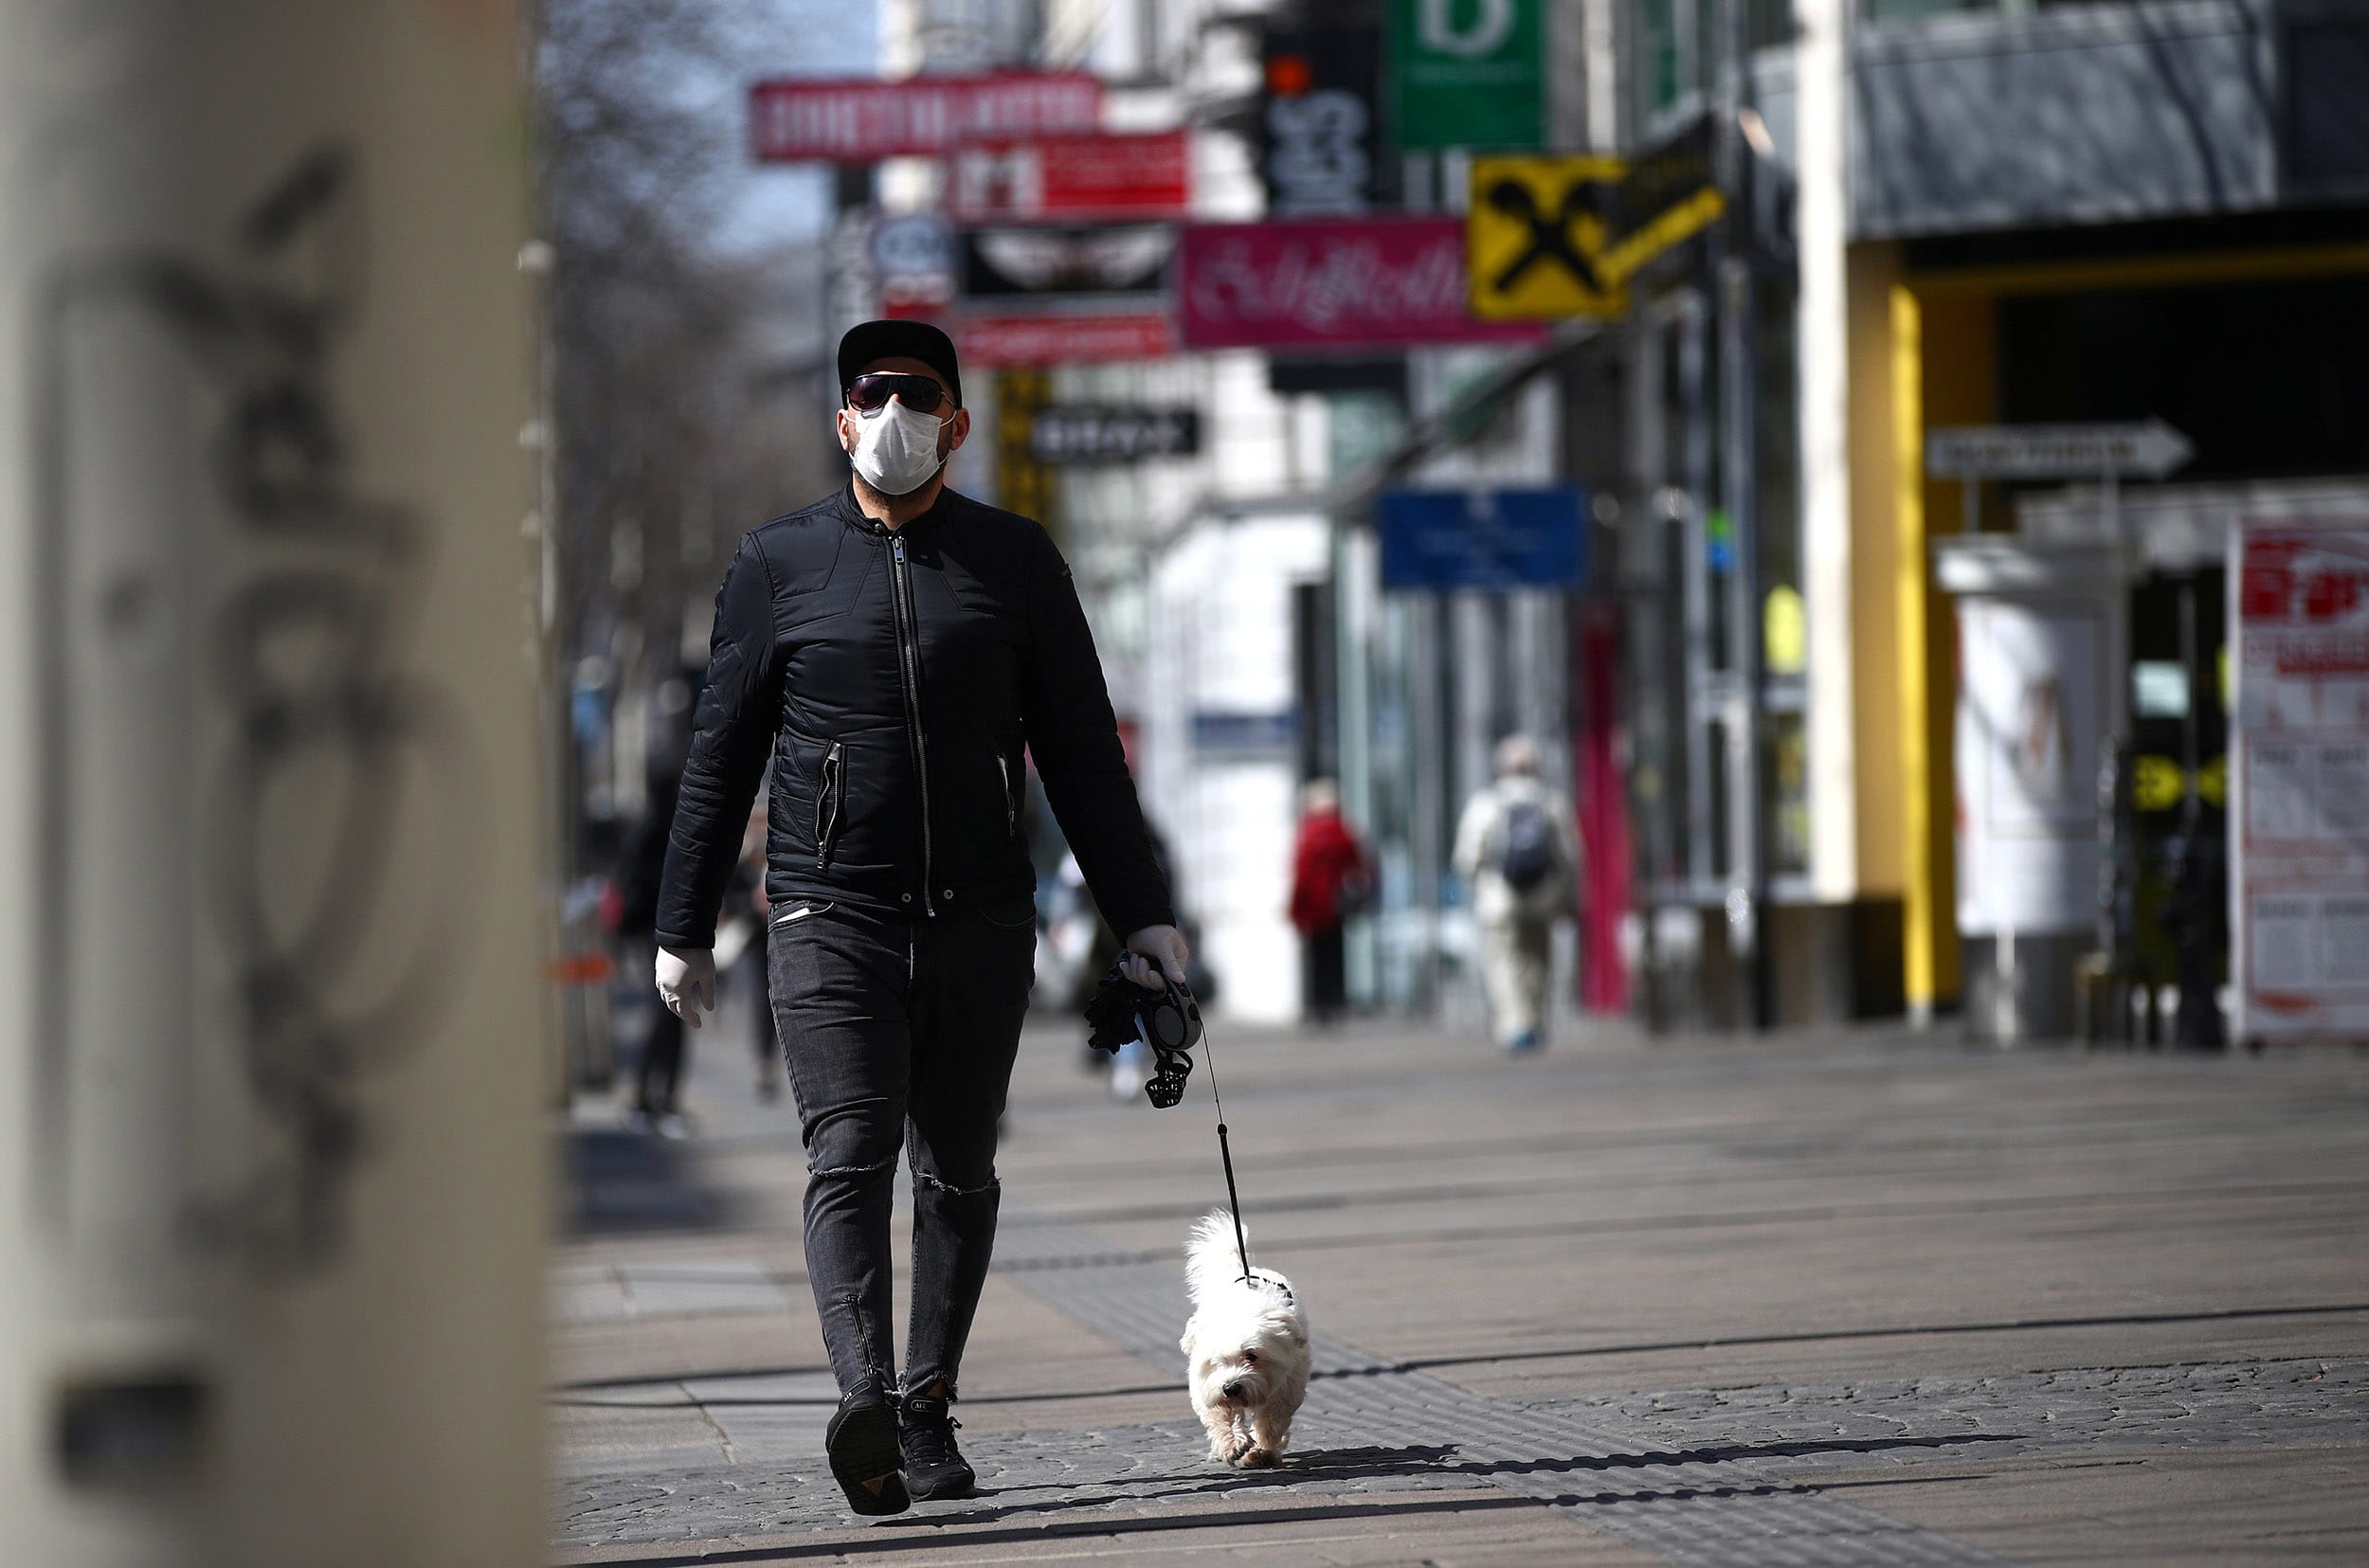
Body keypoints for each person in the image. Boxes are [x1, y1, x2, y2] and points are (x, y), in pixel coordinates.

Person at [649, 320, 1188, 1516]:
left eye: (919, 393)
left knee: (957, 1168)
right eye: (872, 393)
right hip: (824, 911)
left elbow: (1084, 757)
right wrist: (680, 925)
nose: (894, 411)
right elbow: (717, 757)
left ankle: (929, 1404)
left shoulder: (1013, 560)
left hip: (979, 917)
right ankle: (869, 1401)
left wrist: (1141, 914)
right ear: (842, 420)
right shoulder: (777, 563)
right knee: (847, 1151)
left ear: (955, 421)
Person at [1452, 734, 1580, 1054]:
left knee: (1502, 963)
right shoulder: (1551, 801)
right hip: (1542, 899)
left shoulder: (1486, 803)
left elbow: (1467, 856)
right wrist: (1567, 895)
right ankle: (1534, 1021)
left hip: (1499, 900)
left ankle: (1514, 1026)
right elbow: (1570, 856)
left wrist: (1479, 881)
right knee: (1538, 961)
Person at [1286, 779, 1367, 1026]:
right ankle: (1335, 1002)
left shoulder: (1308, 833)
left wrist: (1295, 907)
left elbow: (1302, 872)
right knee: (1335, 956)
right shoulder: (1343, 831)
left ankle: (1317, 1006)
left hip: (1312, 906)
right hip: (1335, 905)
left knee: (1315, 958)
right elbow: (1357, 867)